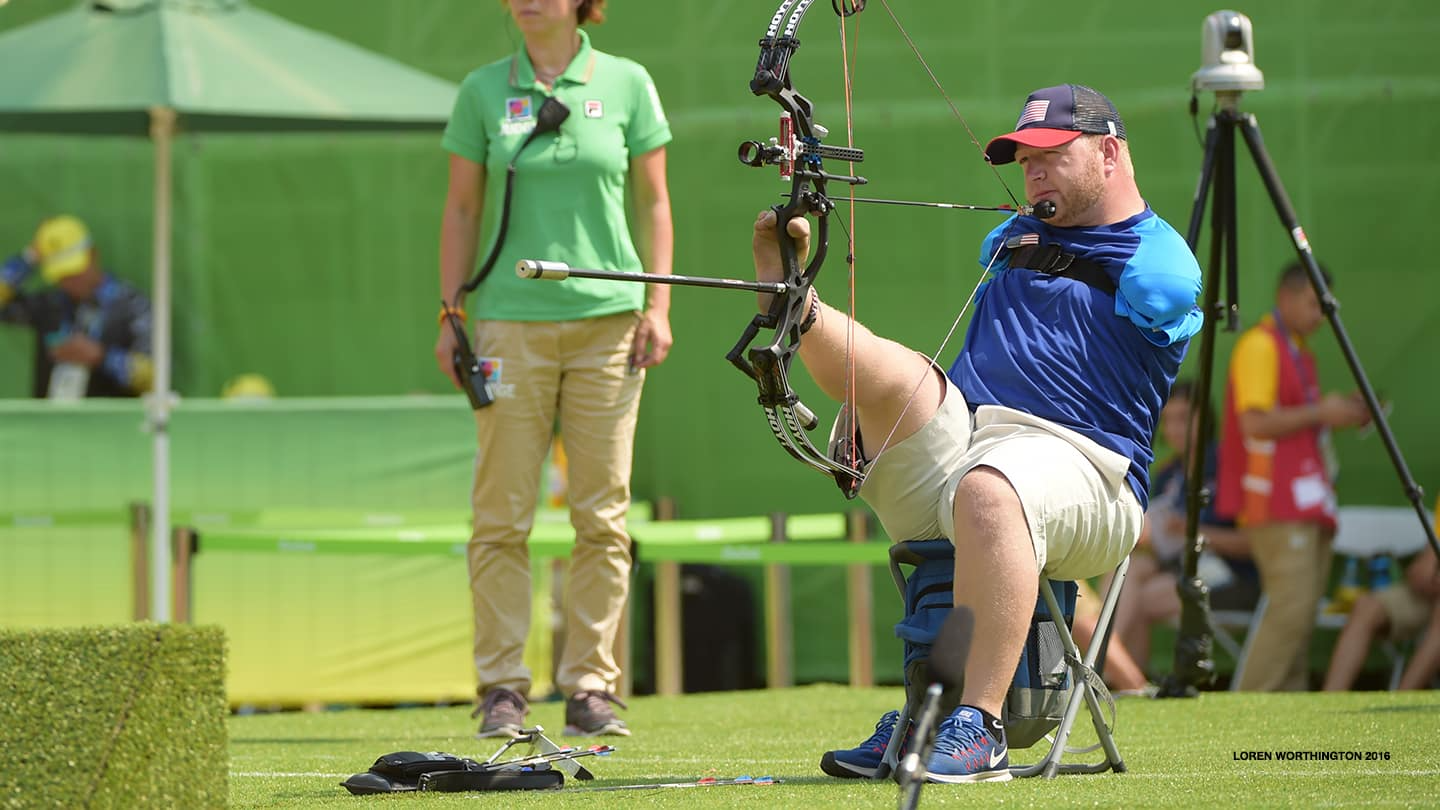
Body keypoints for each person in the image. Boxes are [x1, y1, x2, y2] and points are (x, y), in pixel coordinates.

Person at [753, 84, 1202, 783]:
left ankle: (978, 726)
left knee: (992, 489)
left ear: (1111, 153)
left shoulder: (1158, 258)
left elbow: (1171, 301)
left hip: (1090, 476)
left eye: (1053, 154)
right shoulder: (1017, 237)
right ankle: (794, 299)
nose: (1033, 172)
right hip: (971, 451)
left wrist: (1092, 258)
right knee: (904, 381)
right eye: (1024, 160)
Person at [434, 0, 673, 739]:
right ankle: (502, 688)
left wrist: (657, 306)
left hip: (611, 323)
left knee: (603, 513)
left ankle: (591, 688)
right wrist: (451, 314)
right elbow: (462, 210)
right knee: (500, 515)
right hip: (506, 324)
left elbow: (656, 202)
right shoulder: (481, 90)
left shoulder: (629, 81)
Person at [1215, 261, 1371, 691]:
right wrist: (1323, 412)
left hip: (1306, 500)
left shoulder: (1301, 351)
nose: (1322, 314)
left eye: (1325, 304)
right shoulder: (1261, 346)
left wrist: (1336, 414)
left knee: (1300, 617)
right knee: (1290, 610)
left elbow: (1297, 423)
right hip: (1275, 503)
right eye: (1312, 302)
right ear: (1286, 296)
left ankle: (1289, 709)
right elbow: (1254, 424)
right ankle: (1247, 709)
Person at [1109, 379, 1257, 678]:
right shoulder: (1168, 474)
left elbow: (1252, 544)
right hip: (1182, 570)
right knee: (1129, 568)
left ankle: (1115, 669)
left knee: (1137, 597)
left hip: (1234, 578)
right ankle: (1123, 676)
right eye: (1169, 420)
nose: (1175, 429)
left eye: (1184, 418)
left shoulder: (1228, 465)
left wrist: (1193, 531)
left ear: (1205, 419)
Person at [0, 215, 153, 399]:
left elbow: (154, 377)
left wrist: (101, 357)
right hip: (50, 423)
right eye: (61, 275)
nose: (69, 282)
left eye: (74, 270)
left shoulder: (132, 305)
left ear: (93, 254)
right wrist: (29, 258)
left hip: (109, 424)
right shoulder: (50, 303)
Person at [1323, 498, 1440, 691]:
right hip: (1425, 594)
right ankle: (1327, 700)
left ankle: (1399, 702)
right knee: (1366, 606)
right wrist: (1422, 573)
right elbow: (1423, 566)